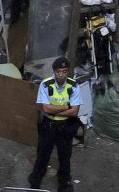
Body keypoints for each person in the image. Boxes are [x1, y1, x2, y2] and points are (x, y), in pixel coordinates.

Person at [28, 56, 81, 192]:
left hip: (65, 126)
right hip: (48, 126)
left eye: (64, 71)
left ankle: (64, 181)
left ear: (68, 71)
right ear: (54, 71)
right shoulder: (46, 84)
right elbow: (45, 108)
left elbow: (74, 112)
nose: (61, 74)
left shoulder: (73, 86)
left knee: (65, 156)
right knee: (43, 154)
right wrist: (65, 107)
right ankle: (35, 179)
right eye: (58, 71)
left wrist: (54, 111)